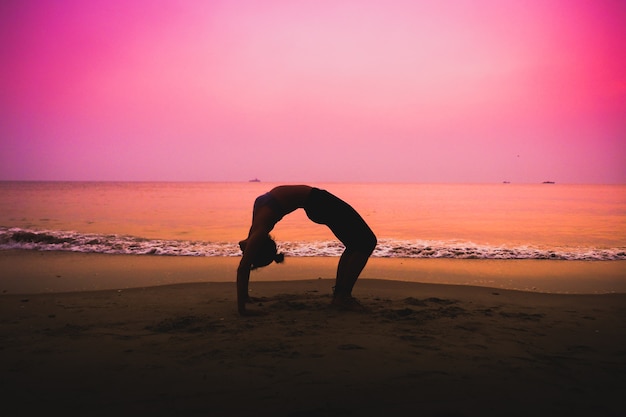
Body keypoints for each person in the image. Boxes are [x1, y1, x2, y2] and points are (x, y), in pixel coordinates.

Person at [237, 185, 377, 316]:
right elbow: (243, 268)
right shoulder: (259, 231)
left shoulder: (256, 228)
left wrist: (246, 297)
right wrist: (242, 309)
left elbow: (246, 262)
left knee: (355, 244)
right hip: (318, 202)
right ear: (258, 246)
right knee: (368, 242)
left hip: (315, 202)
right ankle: (342, 297)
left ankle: (340, 295)